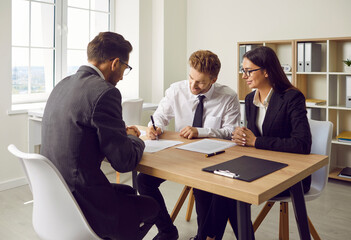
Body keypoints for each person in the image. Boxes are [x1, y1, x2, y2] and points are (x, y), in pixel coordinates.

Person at [40, 32, 159, 240]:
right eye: (125, 68)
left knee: (128, 193)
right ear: (115, 63)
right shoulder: (105, 92)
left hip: (56, 197)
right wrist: (136, 139)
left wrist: (120, 134)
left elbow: (81, 133)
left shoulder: (62, 84)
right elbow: (124, 162)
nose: (122, 76)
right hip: (83, 202)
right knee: (150, 206)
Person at [204, 46, 312, 240]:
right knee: (221, 182)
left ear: (266, 71)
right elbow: (255, 138)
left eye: (248, 71)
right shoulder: (250, 98)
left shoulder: (292, 98)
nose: (244, 75)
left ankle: (208, 237)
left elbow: (302, 144)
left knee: (229, 189)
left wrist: (256, 141)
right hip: (258, 165)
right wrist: (242, 136)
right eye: (243, 70)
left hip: (290, 174)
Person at [136, 50, 241, 240]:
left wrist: (200, 131)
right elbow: (160, 116)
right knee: (144, 180)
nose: (193, 85)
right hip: (180, 155)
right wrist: (155, 126)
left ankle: (204, 236)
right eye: (191, 77)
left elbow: (231, 132)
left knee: (202, 187)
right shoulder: (177, 89)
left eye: (200, 82)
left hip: (212, 158)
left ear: (213, 79)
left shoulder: (228, 96)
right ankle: (167, 230)